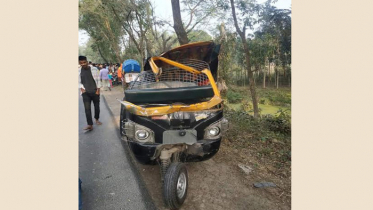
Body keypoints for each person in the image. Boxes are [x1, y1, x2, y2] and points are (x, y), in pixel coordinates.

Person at [78, 56, 102, 131]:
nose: (83, 64)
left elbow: (98, 79)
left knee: (97, 107)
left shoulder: (94, 69)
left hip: (95, 91)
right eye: (81, 63)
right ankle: (90, 124)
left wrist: (98, 90)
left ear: (87, 62)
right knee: (87, 109)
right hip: (86, 93)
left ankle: (97, 119)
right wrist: (82, 89)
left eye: (84, 62)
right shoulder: (78, 71)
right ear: (79, 63)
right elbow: (78, 82)